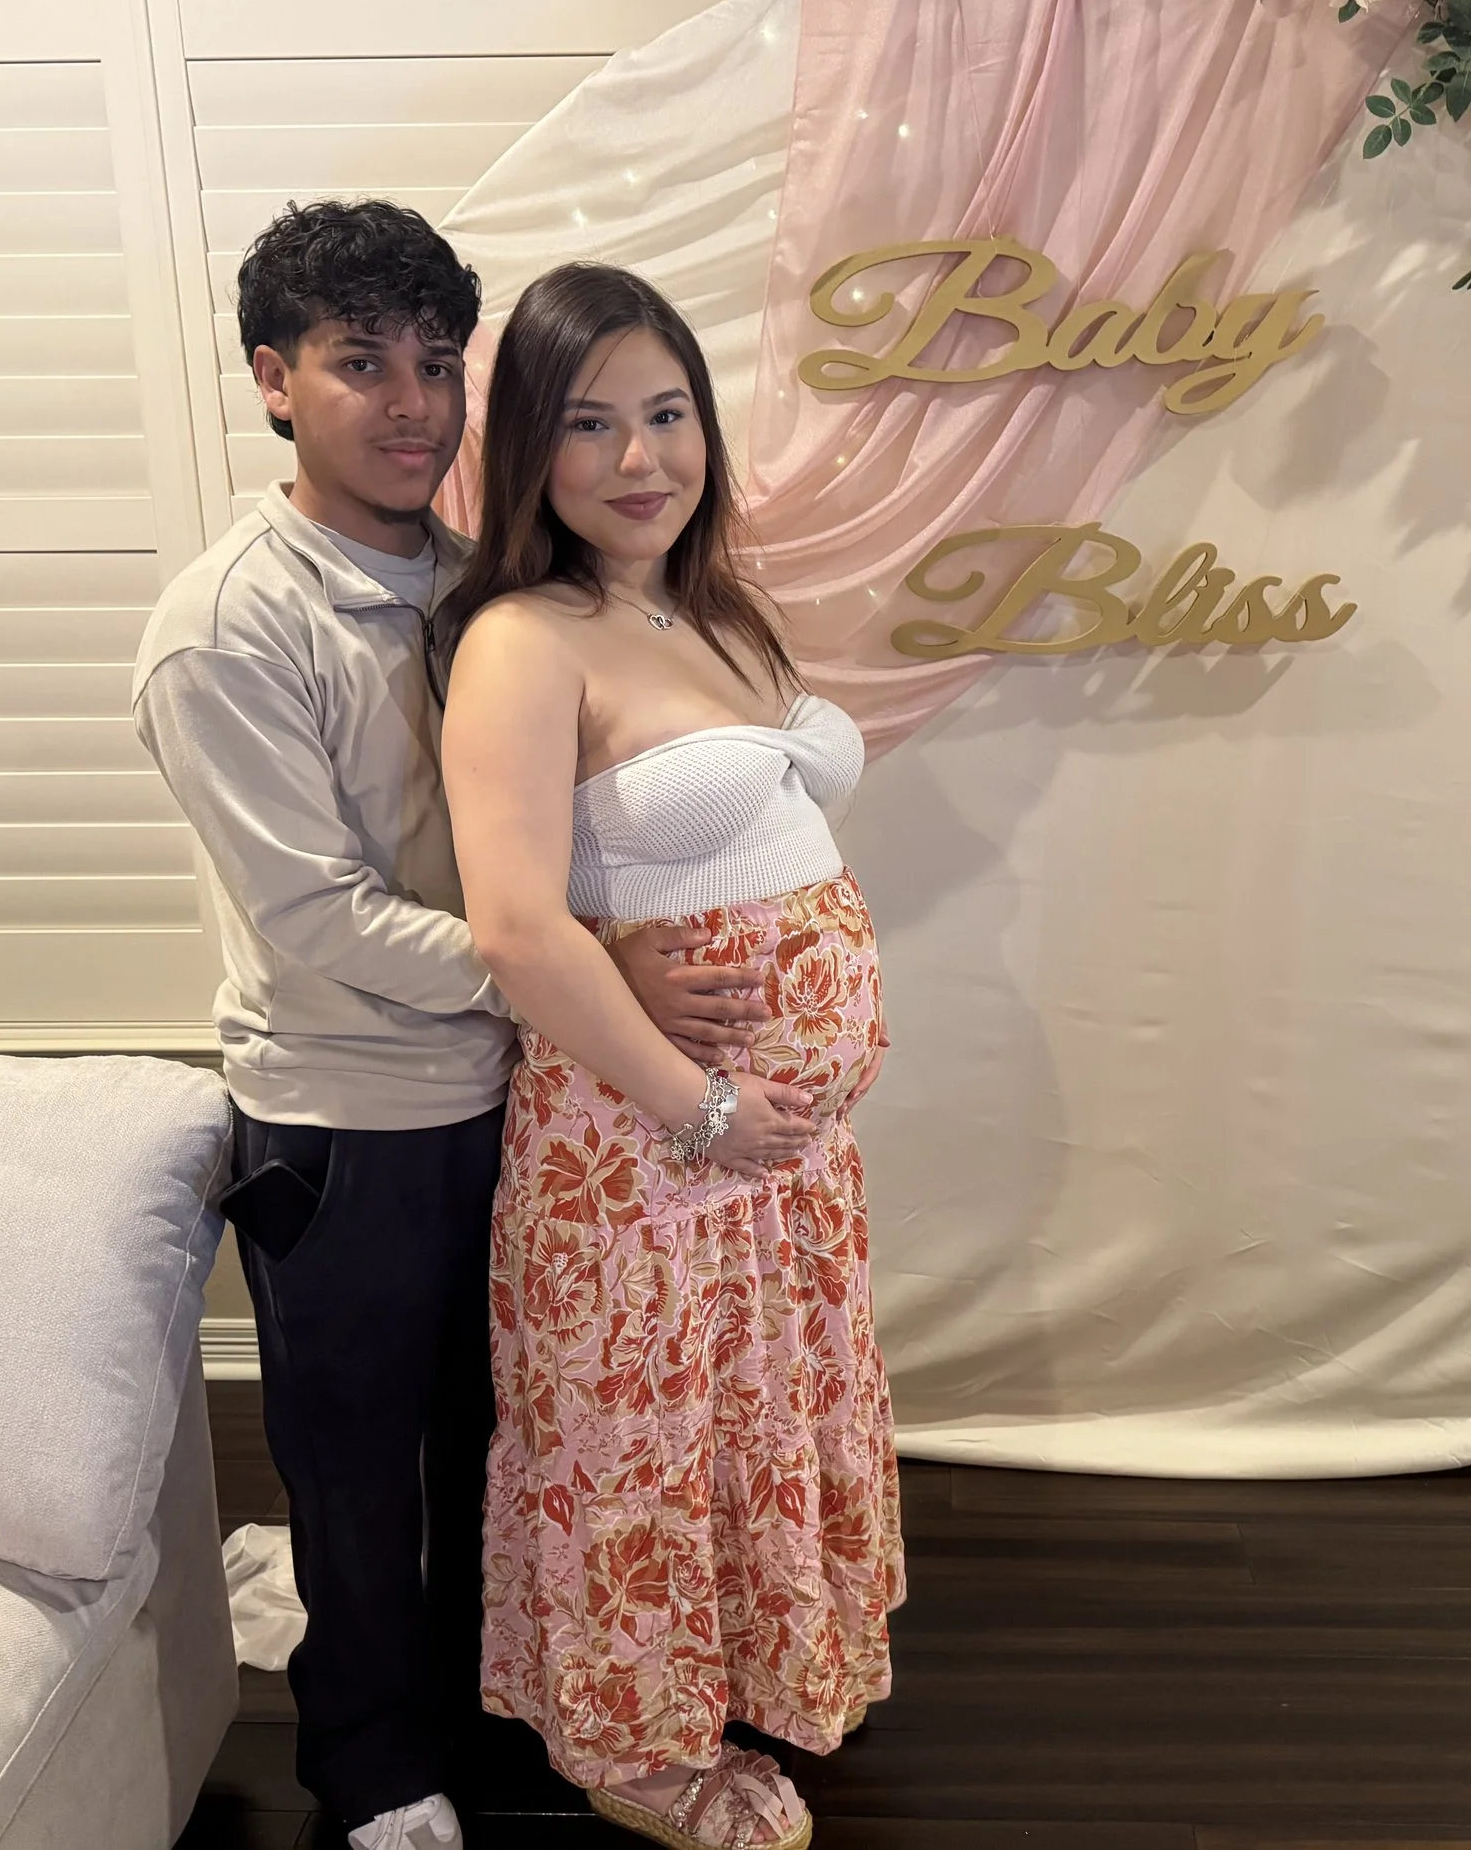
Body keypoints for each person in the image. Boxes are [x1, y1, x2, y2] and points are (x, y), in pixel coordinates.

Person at [133, 203, 777, 1850]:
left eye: (438, 364)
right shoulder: (230, 627)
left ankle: (499, 1714)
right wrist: (575, 967)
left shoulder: (484, 580)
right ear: (274, 380)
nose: (412, 404)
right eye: (362, 364)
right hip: (349, 1119)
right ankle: (372, 1767)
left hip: (531, 1094)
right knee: (358, 1465)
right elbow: (321, 918)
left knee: (506, 1438)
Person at [436, 262, 906, 1850]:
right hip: (649, 1147)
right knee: (638, 1441)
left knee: (743, 1427)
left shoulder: (704, 605)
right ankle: (633, 1750)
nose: (640, 458)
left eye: (668, 412)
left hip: (772, 1158)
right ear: (528, 448)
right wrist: (700, 1103)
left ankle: (751, 1667)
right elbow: (517, 926)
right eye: (589, 424)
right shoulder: (522, 639)